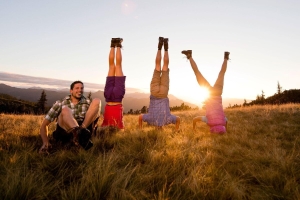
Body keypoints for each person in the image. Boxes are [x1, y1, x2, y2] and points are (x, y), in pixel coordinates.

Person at [39, 81, 101, 153]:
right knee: (65, 109)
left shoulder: (88, 103)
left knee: (97, 101)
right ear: (71, 91)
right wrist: (45, 143)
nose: (80, 90)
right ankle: (79, 135)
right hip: (65, 131)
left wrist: (87, 127)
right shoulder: (60, 103)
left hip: (84, 127)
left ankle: (79, 134)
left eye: (81, 88)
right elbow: (44, 125)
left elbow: (95, 118)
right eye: (77, 88)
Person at [181, 50, 229, 134]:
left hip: (217, 93)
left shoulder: (223, 121)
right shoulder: (208, 121)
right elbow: (195, 119)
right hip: (209, 93)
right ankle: (189, 56)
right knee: (197, 73)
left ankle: (226, 57)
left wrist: (226, 128)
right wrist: (194, 128)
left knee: (222, 73)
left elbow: (226, 121)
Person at [139, 37, 180, 131]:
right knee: (157, 67)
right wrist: (140, 129)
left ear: (162, 129)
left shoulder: (167, 121)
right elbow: (140, 117)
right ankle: (159, 46)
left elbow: (178, 119)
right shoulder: (150, 121)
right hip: (154, 92)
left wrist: (176, 130)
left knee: (165, 67)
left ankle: (165, 47)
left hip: (163, 92)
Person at [100, 38, 126, 131]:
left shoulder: (117, 126)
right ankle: (112, 45)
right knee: (111, 66)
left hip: (117, 97)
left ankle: (118, 44)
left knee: (118, 66)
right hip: (108, 97)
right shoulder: (105, 125)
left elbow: (122, 129)